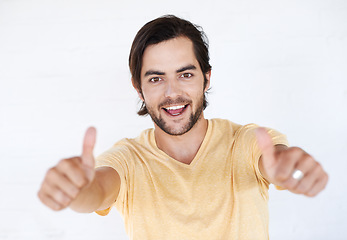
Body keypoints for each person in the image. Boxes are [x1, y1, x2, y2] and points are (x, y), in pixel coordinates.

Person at [38, 15, 329, 239]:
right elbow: (97, 190)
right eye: (155, 78)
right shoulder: (127, 160)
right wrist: (75, 190)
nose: (171, 93)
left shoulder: (247, 142)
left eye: (185, 74)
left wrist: (290, 169)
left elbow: (274, 161)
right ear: (138, 88)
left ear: (207, 78)